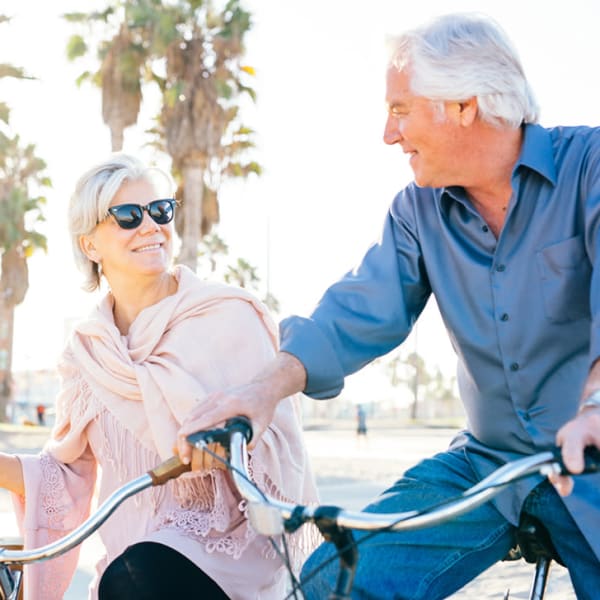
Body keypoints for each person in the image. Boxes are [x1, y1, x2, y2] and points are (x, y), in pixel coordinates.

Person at [178, 12, 600, 599]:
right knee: (333, 582)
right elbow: (357, 310)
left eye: (401, 110)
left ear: (463, 106)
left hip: (595, 461)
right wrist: (262, 389)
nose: (388, 133)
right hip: (488, 467)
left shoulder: (591, 167)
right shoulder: (417, 211)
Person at [0, 154, 318, 600]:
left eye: (160, 211)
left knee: (139, 578)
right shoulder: (88, 351)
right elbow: (65, 473)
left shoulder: (229, 315)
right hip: (134, 561)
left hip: (229, 551)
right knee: (133, 575)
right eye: (128, 216)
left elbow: (282, 448)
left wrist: (231, 444)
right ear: (90, 245)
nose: (150, 226)